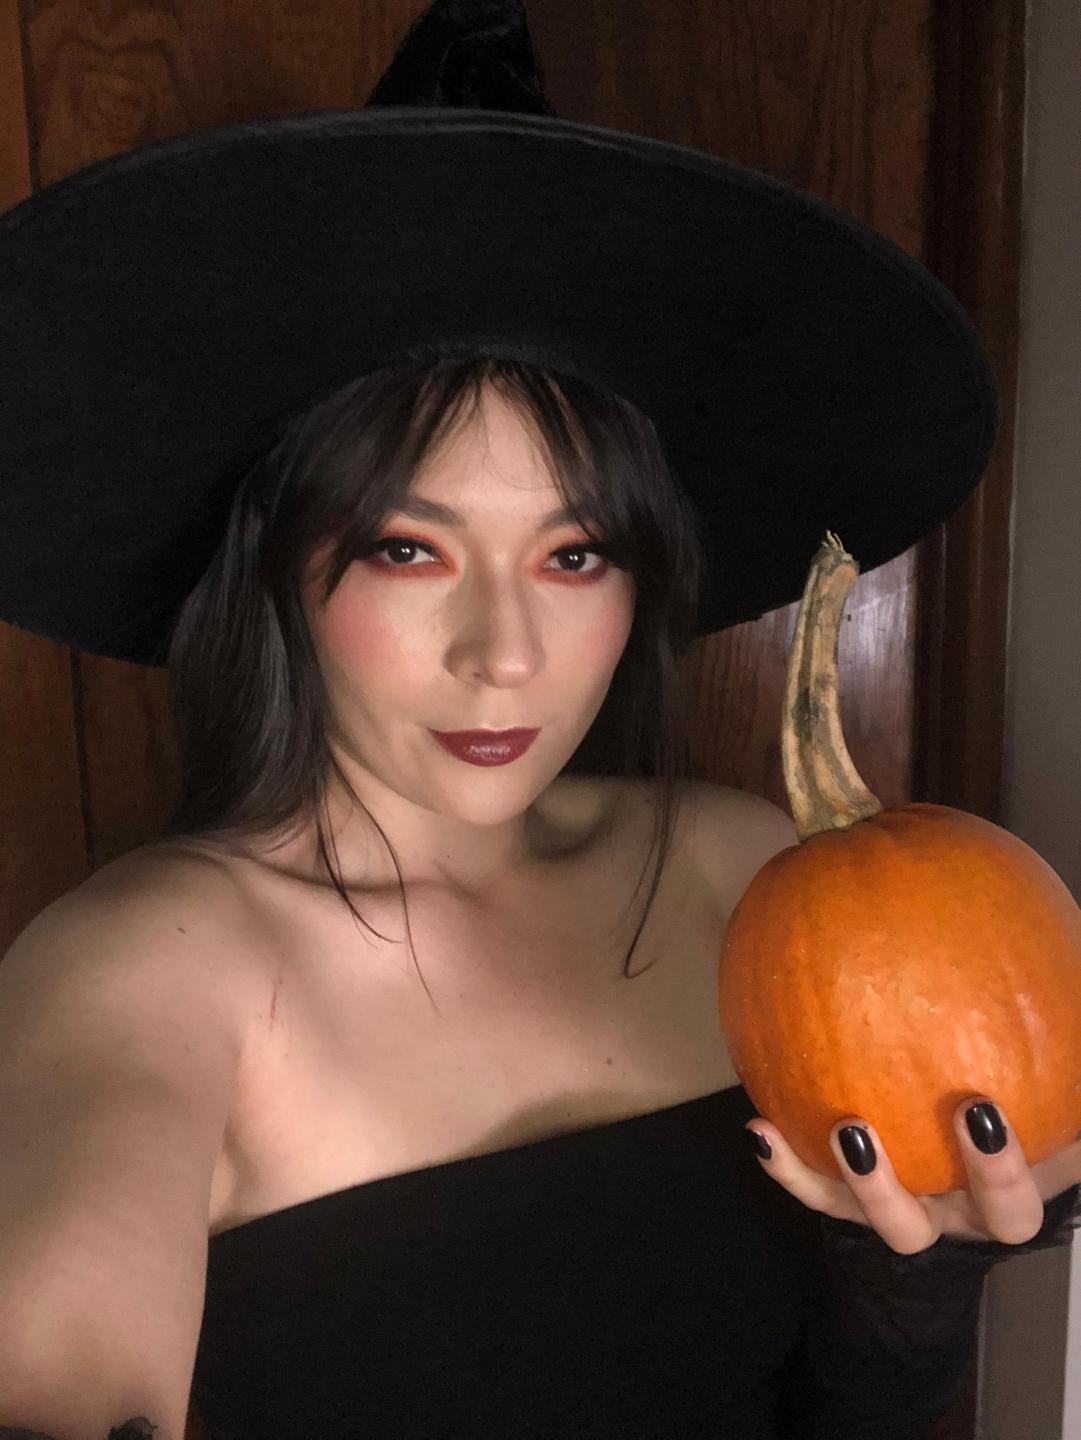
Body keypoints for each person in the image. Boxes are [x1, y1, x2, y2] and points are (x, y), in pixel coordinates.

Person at [1, 3, 1079, 1438]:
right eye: (407, 548)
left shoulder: (741, 877)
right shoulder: (146, 969)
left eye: (574, 556)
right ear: (279, 571)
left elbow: (841, 1411)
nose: (504, 656)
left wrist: (913, 1285)